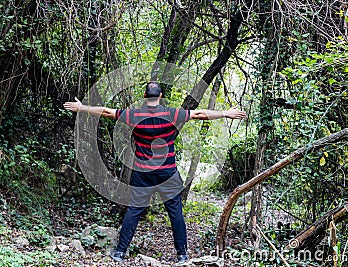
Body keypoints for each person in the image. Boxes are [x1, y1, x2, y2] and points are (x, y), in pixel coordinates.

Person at [63, 81, 246, 263]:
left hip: (142, 174)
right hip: (168, 174)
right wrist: (225, 113)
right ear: (160, 96)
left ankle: (119, 252)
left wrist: (81, 107)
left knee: (134, 211)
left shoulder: (134, 115)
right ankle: (182, 255)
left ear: (144, 96)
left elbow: (106, 111)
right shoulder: (172, 114)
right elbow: (199, 114)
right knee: (175, 214)